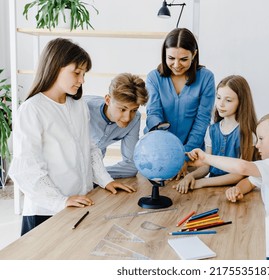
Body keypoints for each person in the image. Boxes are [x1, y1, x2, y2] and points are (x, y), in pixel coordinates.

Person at [9, 38, 135, 236]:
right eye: (77, 73)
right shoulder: (32, 109)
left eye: (84, 74)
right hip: (46, 211)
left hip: (80, 203)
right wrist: (60, 201)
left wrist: (105, 180)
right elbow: (26, 169)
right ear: (55, 67)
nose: (82, 80)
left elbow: (90, 148)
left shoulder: (78, 105)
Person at [187, 111, 269, 260]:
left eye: (261, 139)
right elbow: (250, 181)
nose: (257, 144)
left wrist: (206, 158)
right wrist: (238, 189)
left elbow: (243, 168)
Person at [144, 28, 215, 178]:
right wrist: (172, 155)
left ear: (194, 54)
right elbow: (154, 115)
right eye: (171, 58)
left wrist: (183, 155)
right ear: (164, 55)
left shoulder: (206, 78)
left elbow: (202, 120)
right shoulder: (153, 78)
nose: (176, 65)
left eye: (183, 59)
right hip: (158, 151)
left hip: (191, 155)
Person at [172, 75, 258, 193]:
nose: (221, 104)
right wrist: (190, 176)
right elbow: (206, 166)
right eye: (218, 98)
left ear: (241, 102)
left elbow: (240, 174)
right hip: (210, 190)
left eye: (228, 100)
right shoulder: (211, 130)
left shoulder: (248, 134)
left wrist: (201, 182)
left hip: (235, 191)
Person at [84, 73, 148, 178]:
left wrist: (99, 176)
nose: (127, 118)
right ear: (108, 100)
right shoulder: (83, 108)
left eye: (133, 110)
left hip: (90, 175)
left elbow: (131, 165)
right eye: (122, 109)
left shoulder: (135, 119)